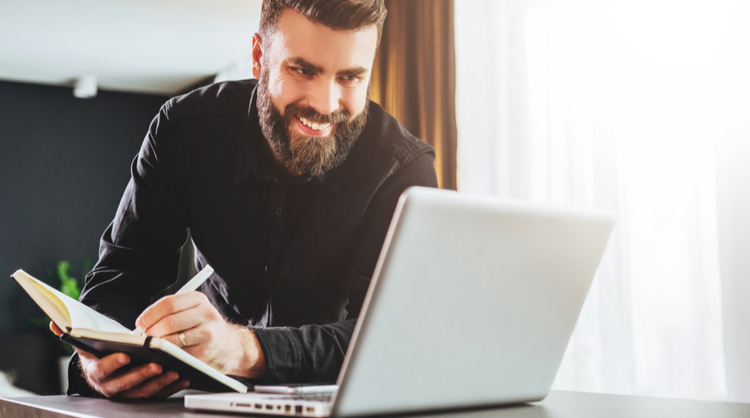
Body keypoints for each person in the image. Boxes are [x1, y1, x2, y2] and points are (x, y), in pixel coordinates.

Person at [53, 0, 438, 399]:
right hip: (200, 395)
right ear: (258, 57)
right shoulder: (184, 130)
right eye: (303, 70)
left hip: (336, 400)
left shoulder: (402, 170)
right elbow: (122, 273)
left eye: (351, 77)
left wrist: (246, 349)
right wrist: (96, 359)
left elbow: (392, 338)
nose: (325, 104)